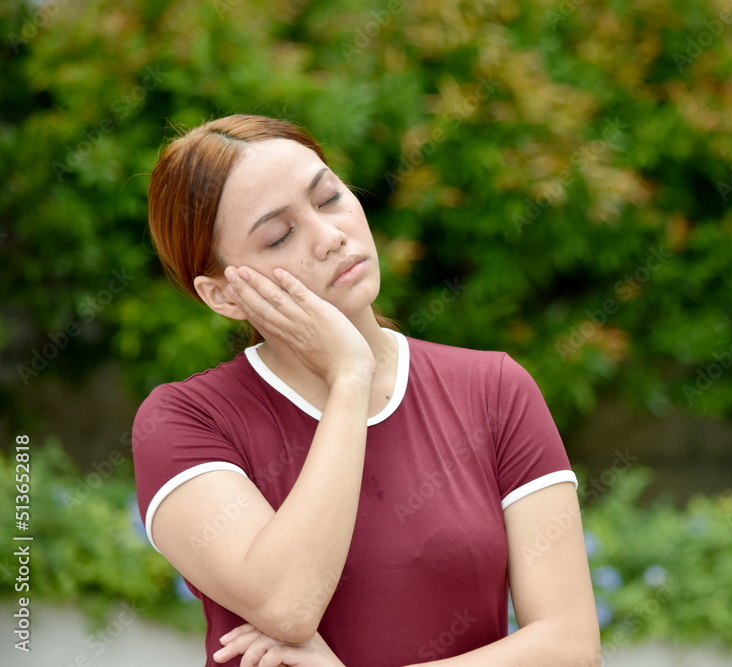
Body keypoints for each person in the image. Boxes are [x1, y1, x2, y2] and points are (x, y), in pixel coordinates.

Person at [132, 114, 600, 667]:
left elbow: (571, 646)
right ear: (223, 296)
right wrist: (351, 377)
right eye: (279, 235)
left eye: (329, 198)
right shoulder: (187, 421)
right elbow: (287, 605)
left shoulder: (494, 390)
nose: (331, 237)